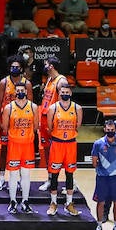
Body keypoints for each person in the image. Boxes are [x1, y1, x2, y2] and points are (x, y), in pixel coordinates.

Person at [0, 83, 39, 213]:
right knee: (13, 174)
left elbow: (35, 127)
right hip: (14, 144)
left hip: (27, 145)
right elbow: (5, 127)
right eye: (18, 90)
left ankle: (25, 201)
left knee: (26, 174)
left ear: (26, 92)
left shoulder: (33, 107)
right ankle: (12, 201)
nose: (20, 92)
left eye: (23, 90)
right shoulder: (8, 108)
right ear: (14, 92)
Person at [45, 85, 82, 215]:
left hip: (71, 144)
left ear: (70, 93)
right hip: (57, 144)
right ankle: (53, 203)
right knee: (54, 175)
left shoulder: (77, 108)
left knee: (69, 174)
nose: (65, 94)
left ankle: (69, 203)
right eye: (62, 92)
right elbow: (49, 127)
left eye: (67, 92)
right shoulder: (53, 108)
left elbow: (78, 126)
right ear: (59, 93)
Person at [92, 118, 116, 230]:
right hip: (102, 177)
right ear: (104, 130)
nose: (110, 131)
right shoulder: (98, 143)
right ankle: (99, 224)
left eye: (112, 130)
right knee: (100, 202)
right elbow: (94, 161)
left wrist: (113, 170)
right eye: (108, 130)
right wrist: (103, 170)